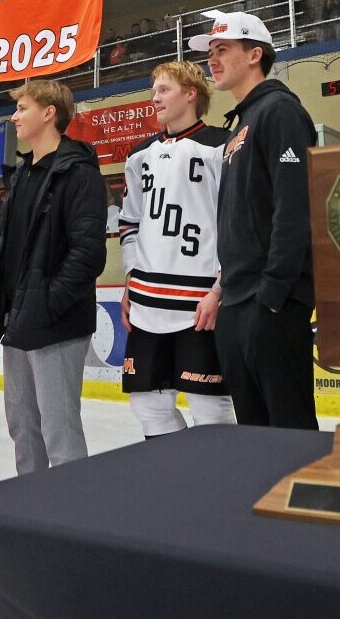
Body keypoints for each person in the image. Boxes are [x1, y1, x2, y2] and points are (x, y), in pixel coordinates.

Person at [194, 11, 318, 430]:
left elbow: (294, 208)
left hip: (271, 303)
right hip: (238, 299)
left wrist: (273, 294)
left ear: (255, 54)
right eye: (210, 52)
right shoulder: (239, 125)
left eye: (222, 50)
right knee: (253, 432)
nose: (212, 60)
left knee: (288, 430)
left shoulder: (280, 112)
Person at [0, 79, 107, 473]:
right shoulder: (21, 176)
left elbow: (87, 254)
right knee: (23, 430)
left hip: (55, 324)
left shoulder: (79, 174)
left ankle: (67, 521)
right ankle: (29, 513)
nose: (14, 116)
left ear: (49, 113)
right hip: (18, 321)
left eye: (23, 108)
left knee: (60, 433)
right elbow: (6, 251)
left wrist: (47, 304)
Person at [116, 61, 236, 438]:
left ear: (191, 93)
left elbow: (236, 225)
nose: (155, 99)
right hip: (147, 300)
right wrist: (130, 278)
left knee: (210, 406)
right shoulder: (139, 156)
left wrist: (221, 287)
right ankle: (176, 481)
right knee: (147, 405)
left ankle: (215, 491)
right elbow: (130, 223)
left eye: (164, 90)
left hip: (200, 299)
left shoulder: (223, 146)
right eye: (154, 91)